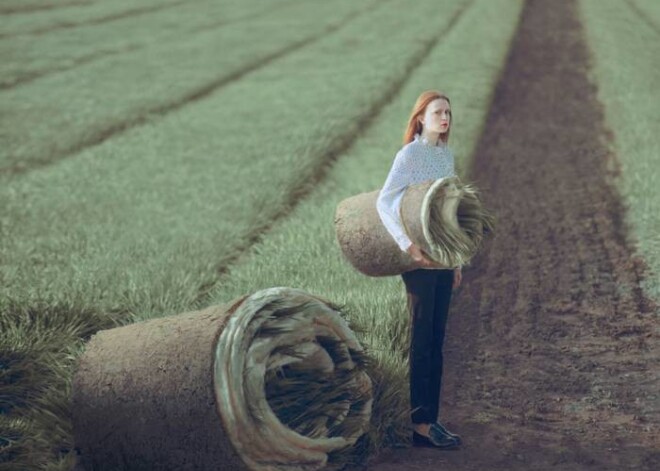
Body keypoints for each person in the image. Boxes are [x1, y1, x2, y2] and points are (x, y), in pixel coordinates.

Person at [376, 90, 463, 449]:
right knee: (422, 342)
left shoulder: (446, 156)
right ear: (421, 119)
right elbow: (385, 201)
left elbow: (451, 211)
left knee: (438, 341)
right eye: (438, 112)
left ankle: (432, 420)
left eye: (448, 113)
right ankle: (420, 426)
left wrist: (458, 261)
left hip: (443, 259)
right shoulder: (409, 155)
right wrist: (408, 246)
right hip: (419, 262)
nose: (445, 118)